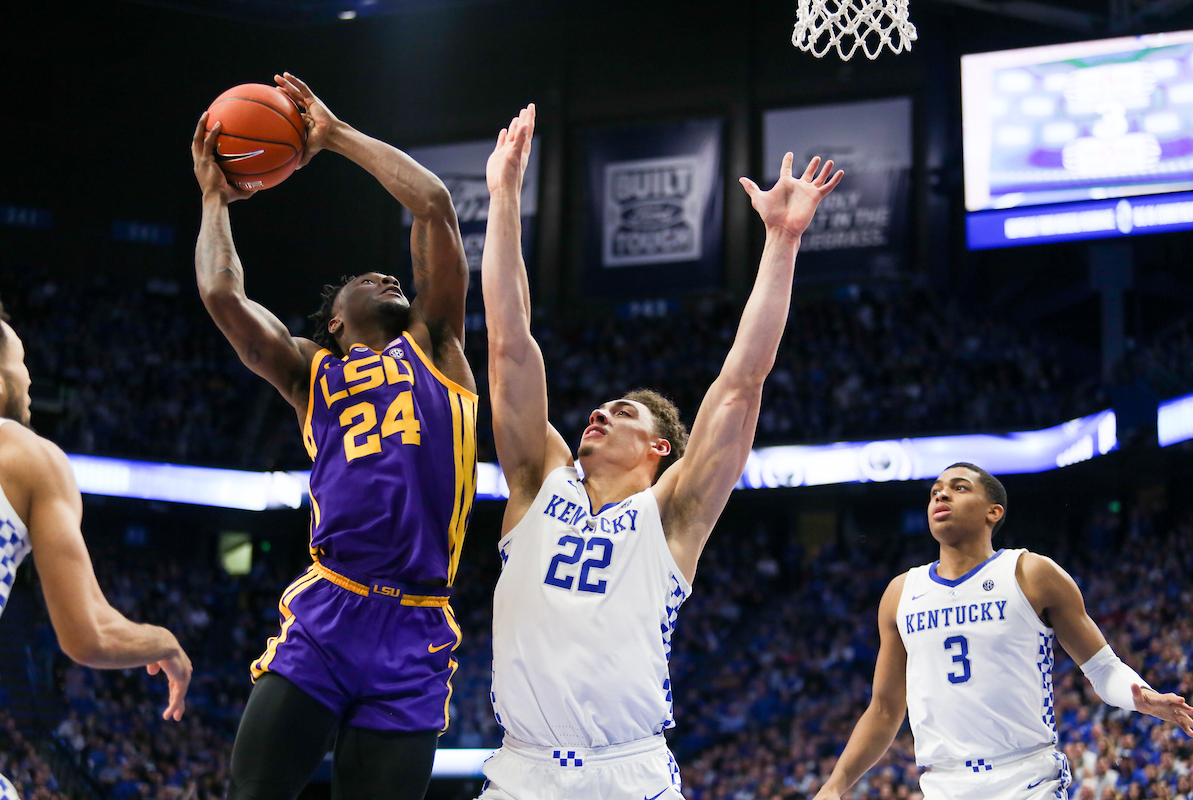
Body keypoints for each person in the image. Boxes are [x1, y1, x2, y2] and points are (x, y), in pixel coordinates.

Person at [477, 104, 843, 799]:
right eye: (601, 407)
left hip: (629, 772)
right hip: (520, 770)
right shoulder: (536, 483)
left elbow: (741, 384)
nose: (599, 413)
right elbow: (507, 341)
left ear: (659, 448)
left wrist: (783, 242)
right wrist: (503, 195)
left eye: (622, 412)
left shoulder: (672, 515)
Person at [191, 73, 478, 800]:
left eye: (390, 275)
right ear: (334, 323)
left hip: (417, 624)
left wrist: (334, 135)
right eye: (366, 278)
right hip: (331, 609)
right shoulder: (307, 372)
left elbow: (435, 205)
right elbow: (223, 295)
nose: (388, 274)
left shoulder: (436, 344)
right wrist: (214, 200)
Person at [813, 462, 1193, 800]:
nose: (942, 493)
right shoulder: (900, 593)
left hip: (1027, 777)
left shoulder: (1031, 573)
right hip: (943, 783)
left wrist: (1142, 697)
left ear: (993, 512)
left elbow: (1103, 668)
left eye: (960, 487)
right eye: (935, 492)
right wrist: (836, 784)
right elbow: (884, 709)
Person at [0, 281, 192, 800]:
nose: (30, 377)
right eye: (22, 362)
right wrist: (165, 642)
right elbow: (89, 635)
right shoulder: (25, 455)